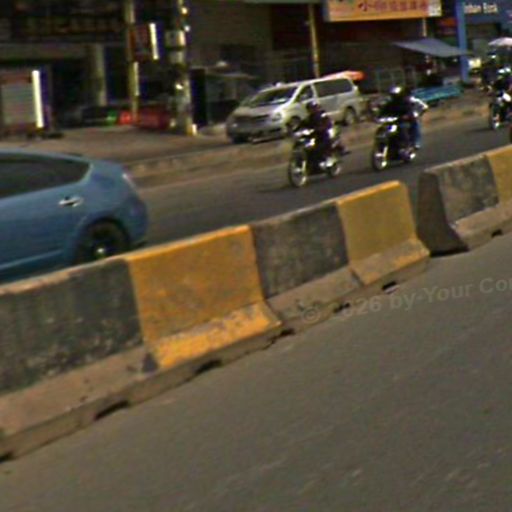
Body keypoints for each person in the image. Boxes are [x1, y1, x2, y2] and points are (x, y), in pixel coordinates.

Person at [301, 101, 339, 166]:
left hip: (323, 135)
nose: (311, 110)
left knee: (320, 146)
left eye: (313, 108)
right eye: (310, 108)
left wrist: (322, 128)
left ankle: (327, 159)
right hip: (313, 136)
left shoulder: (322, 115)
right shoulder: (308, 118)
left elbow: (328, 123)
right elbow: (302, 125)